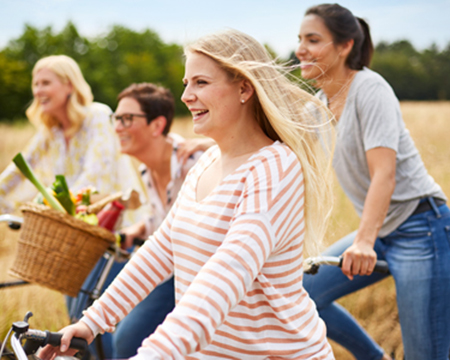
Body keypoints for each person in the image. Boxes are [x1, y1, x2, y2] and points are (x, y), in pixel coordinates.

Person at [40, 29, 335, 360]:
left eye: (201, 83)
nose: (186, 96)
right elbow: (161, 250)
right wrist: (92, 321)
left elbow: (230, 270)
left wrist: (158, 352)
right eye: (186, 84)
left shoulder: (274, 168)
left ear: (244, 88)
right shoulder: (206, 163)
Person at [295, 4, 450, 360]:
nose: (300, 48)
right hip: (381, 231)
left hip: (421, 227)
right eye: (299, 39)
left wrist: (364, 241)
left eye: (313, 39)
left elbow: (385, 172)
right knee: (302, 293)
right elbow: (275, 143)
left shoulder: (370, 87)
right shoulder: (317, 105)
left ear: (344, 45)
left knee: (425, 355)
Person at [0, 55, 142, 218]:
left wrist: (54, 207)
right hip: (73, 223)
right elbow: (21, 167)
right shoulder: (51, 130)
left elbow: (95, 177)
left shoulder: (97, 116)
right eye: (36, 84)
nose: (38, 91)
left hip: (116, 223)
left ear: (69, 85)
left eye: (46, 83)